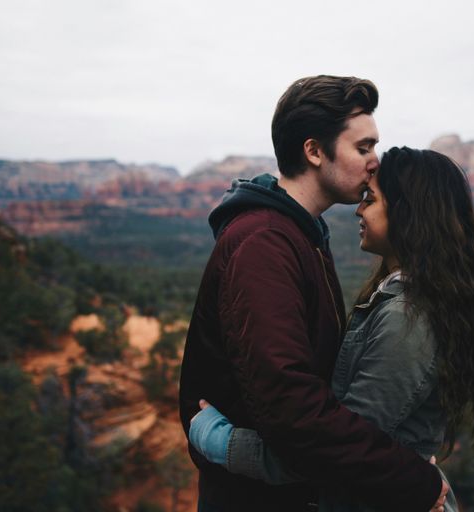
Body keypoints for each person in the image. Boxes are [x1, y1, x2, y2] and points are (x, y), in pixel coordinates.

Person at [188, 147, 474, 512]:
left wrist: (223, 442)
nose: (359, 210)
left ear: (409, 215)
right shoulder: (400, 299)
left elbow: (335, 450)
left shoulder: (408, 319)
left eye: (371, 200)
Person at [178, 77, 448, 511]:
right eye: (363, 148)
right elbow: (294, 410)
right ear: (314, 151)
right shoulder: (264, 243)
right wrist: (413, 477)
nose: (374, 163)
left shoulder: (301, 235)